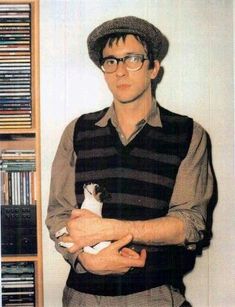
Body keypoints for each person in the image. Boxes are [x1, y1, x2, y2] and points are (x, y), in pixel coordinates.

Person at [46, 16, 213, 307]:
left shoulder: (188, 133)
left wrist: (114, 229)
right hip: (83, 296)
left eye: (133, 59)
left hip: (155, 295)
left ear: (153, 69)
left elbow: (189, 224)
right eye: (111, 61)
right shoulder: (77, 131)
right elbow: (58, 216)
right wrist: (84, 259)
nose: (120, 71)